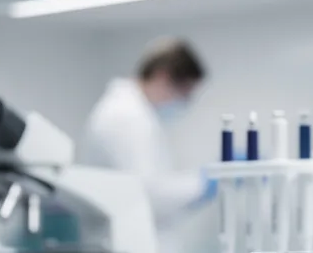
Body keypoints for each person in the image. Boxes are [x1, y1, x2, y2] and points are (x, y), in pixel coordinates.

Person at [80, 39, 215, 227]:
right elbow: (150, 195)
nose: (184, 102)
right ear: (163, 77)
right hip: (124, 239)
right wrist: (203, 183)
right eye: (184, 93)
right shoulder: (126, 116)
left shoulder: (134, 113)